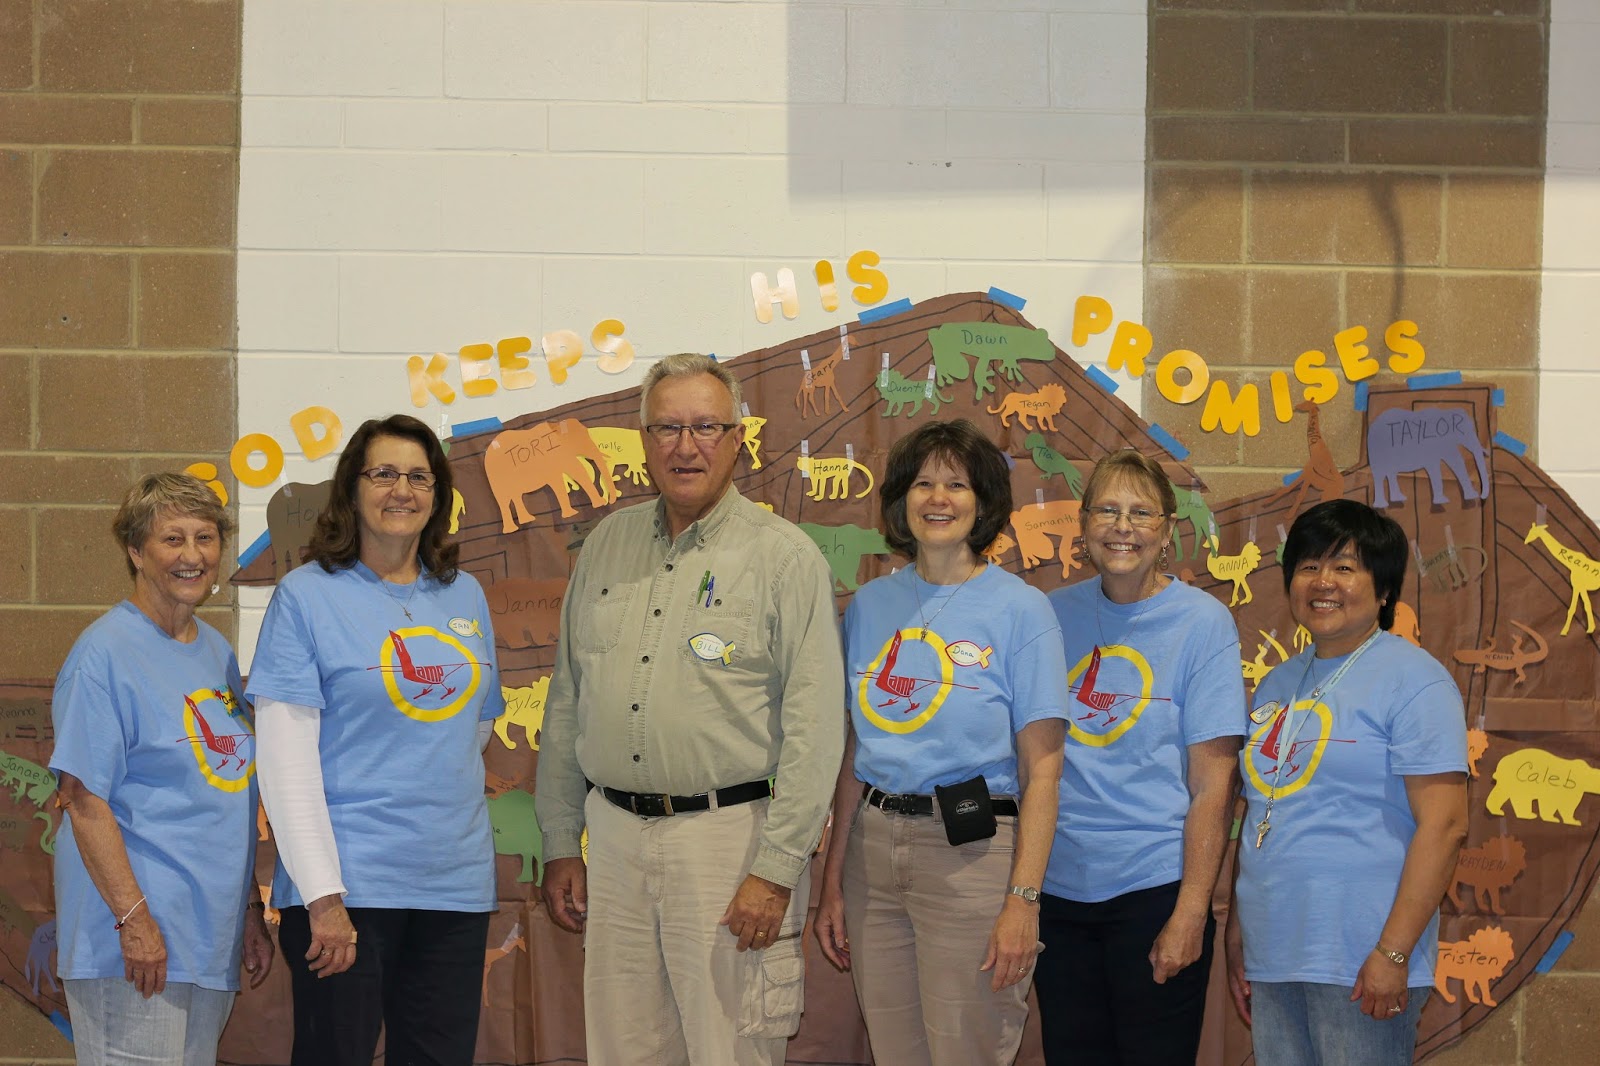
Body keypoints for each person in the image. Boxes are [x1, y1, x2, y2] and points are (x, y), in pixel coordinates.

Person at [537, 352, 845, 1066]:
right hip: (612, 842)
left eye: (707, 427)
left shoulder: (784, 558)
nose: (686, 446)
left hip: (729, 844)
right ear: (642, 440)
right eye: (667, 428)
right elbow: (566, 702)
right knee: (624, 1051)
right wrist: (560, 840)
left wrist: (774, 870)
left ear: (739, 439)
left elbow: (815, 728)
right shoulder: (606, 545)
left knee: (730, 1049)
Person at [248, 414, 504, 1066]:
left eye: (419, 476)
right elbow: (283, 764)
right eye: (383, 473)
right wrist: (326, 899)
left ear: (438, 495)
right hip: (347, 891)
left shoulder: (465, 595)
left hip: (452, 888)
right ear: (352, 490)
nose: (402, 490)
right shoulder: (304, 597)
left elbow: (470, 728)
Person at [813, 419, 1067, 1066]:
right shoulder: (868, 607)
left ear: (983, 502)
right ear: (901, 500)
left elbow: (1043, 771)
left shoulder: (1022, 611)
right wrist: (834, 882)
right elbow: (852, 751)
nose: (938, 498)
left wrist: (1023, 901)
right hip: (872, 854)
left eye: (956, 484)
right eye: (923, 483)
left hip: (972, 855)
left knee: (969, 1051)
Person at [1227, 498, 1469, 1066]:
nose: (1322, 582)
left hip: (1362, 953)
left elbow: (1447, 824)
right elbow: (1262, 811)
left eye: (1344, 567)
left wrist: (1393, 951)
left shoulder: (1415, 680)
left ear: (1383, 590)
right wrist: (1241, 931)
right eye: (1308, 566)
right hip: (1275, 946)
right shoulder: (1276, 685)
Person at [50, 472, 274, 1066]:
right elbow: (83, 800)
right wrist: (134, 920)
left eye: (205, 538)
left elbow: (222, 788)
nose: (193, 555)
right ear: (135, 551)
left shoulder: (215, 654)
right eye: (172, 539)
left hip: (207, 937)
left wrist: (249, 908)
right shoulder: (103, 654)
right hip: (134, 941)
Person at [1033, 449, 1246, 1066]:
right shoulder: (1050, 615)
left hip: (1155, 890)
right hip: (1059, 894)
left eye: (1140, 513)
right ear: (1082, 523)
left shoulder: (1204, 624)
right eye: (1107, 509)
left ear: (1168, 529)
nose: (1122, 527)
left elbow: (1214, 785)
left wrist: (1190, 912)